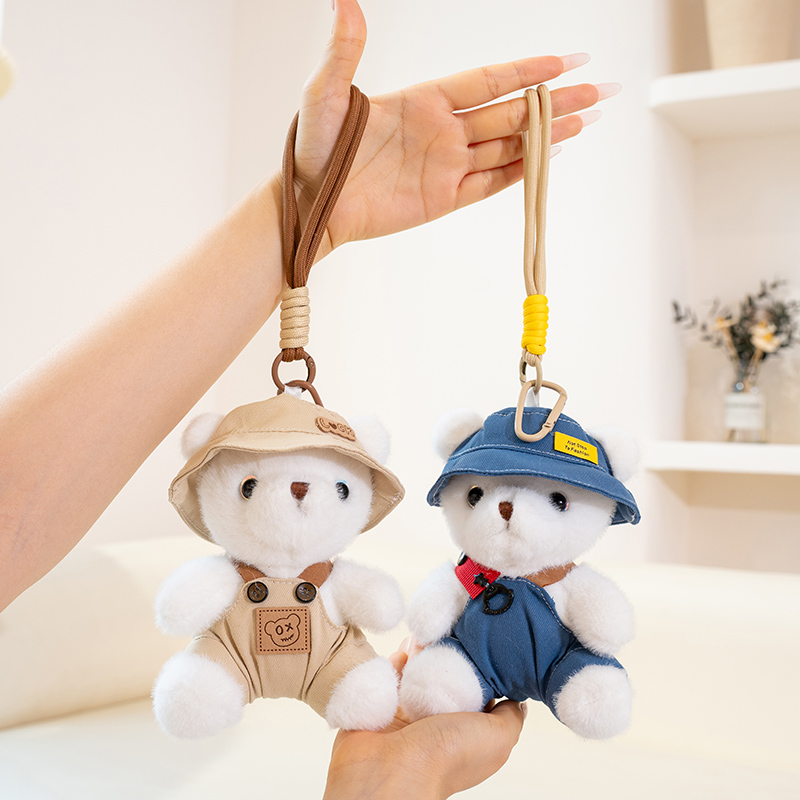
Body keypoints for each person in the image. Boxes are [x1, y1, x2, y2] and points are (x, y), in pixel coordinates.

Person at [0, 0, 618, 792]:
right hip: (264, 666)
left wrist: (308, 206)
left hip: (353, 668)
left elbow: (13, 513)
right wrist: (393, 780)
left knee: (372, 684)